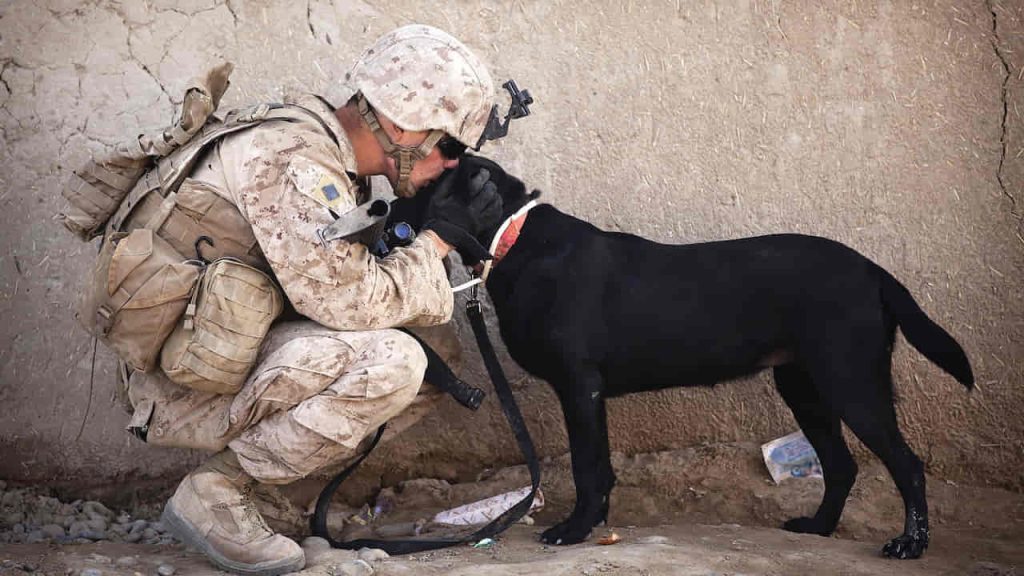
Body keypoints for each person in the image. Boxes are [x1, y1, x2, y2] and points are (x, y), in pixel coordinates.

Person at [122, 25, 510, 575]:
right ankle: (219, 493)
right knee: (397, 362)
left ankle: (259, 492)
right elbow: (350, 303)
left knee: (435, 356)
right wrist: (437, 240)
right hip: (179, 383)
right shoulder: (293, 162)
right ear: (398, 124)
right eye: (447, 147)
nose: (451, 164)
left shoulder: (323, 153)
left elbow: (334, 279)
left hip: (217, 351)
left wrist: (417, 231)